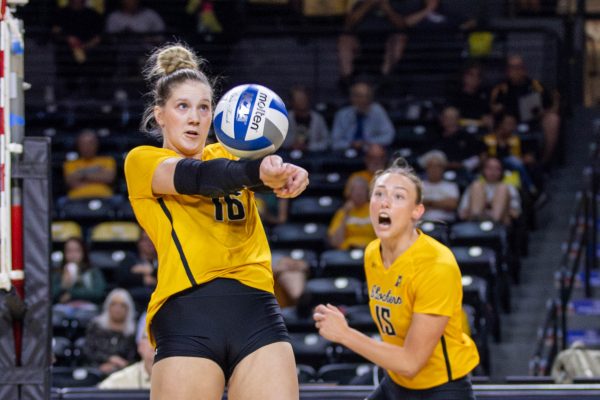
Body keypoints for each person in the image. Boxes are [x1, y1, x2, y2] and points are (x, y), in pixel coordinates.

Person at [124, 44, 308, 399]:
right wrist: (256, 170)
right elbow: (203, 176)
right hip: (188, 315)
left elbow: (253, 173)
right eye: (183, 107)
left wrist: (286, 174)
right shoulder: (143, 161)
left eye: (204, 107)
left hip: (257, 311)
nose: (195, 118)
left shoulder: (231, 152)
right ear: (159, 115)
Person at [313, 158, 479, 400]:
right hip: (396, 383)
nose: (385, 202)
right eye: (378, 194)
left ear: (417, 211)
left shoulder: (436, 265)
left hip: (440, 388)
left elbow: (412, 362)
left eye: (398, 196)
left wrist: (345, 334)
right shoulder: (372, 252)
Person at [337, 0, 439, 86]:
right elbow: (349, 23)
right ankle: (347, 79)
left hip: (386, 40)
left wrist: (387, 9)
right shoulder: (361, 3)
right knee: (345, 39)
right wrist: (368, 4)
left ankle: (385, 79)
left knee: (399, 38)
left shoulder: (395, 4)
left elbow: (402, 25)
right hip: (362, 41)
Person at [490, 54, 560, 167]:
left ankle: (544, 162)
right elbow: (493, 107)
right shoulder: (501, 88)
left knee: (553, 119)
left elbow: (551, 105)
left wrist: (543, 112)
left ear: (524, 70)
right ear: (507, 71)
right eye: (513, 68)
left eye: (519, 67)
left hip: (532, 121)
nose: (516, 71)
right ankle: (497, 161)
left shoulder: (535, 86)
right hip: (507, 123)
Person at [51, 0, 103, 96]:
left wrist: (86, 46)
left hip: (90, 53)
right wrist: (68, 39)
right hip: (66, 54)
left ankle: (95, 96)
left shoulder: (93, 14)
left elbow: (99, 37)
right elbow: (55, 32)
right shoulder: (61, 14)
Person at [84, 288, 138, 375]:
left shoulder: (133, 331)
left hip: (124, 373)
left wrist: (119, 365)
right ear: (107, 306)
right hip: (95, 369)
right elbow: (88, 351)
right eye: (114, 304)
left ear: (128, 309)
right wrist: (109, 359)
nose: (118, 309)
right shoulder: (96, 326)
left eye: (122, 305)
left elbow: (134, 357)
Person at [331, 80, 395, 151]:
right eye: (358, 96)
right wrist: (351, 144)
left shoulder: (378, 111)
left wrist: (366, 142)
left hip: (370, 150)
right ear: (352, 98)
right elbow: (335, 142)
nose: (363, 100)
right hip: (346, 151)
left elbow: (388, 136)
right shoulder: (342, 114)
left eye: (367, 96)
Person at [458, 157, 522, 226]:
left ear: (502, 171)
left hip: (501, 223)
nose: (493, 172)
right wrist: (483, 206)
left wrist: (494, 205)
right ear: (483, 170)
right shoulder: (474, 187)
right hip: (475, 222)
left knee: (502, 188)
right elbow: (462, 214)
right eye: (489, 168)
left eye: (497, 169)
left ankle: (495, 222)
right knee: (477, 185)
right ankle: (476, 221)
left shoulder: (509, 187)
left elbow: (515, 213)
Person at [98, 313, 154, 389]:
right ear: (140, 345)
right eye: (150, 337)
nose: (156, 343)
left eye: (167, 338)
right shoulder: (117, 383)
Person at [63, 129, 117, 199]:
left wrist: (81, 173)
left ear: (96, 144)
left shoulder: (107, 160)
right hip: (76, 199)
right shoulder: (70, 163)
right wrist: (96, 171)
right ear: (78, 145)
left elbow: (109, 178)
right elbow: (70, 181)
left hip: (105, 197)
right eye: (83, 144)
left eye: (90, 143)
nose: (87, 147)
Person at [52, 237, 106, 305]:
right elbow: (49, 295)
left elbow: (98, 293)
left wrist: (71, 294)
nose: (73, 255)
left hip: (88, 311)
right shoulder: (58, 273)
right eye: (69, 251)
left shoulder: (93, 272)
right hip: (63, 311)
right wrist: (63, 285)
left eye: (77, 250)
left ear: (83, 252)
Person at [328, 175, 376, 250]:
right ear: (349, 192)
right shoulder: (342, 212)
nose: (359, 193)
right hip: (347, 253)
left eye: (362, 189)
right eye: (356, 190)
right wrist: (345, 216)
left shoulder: (375, 210)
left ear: (367, 192)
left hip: (371, 251)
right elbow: (335, 242)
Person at [117, 229, 158, 312]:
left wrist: (151, 270)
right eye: (146, 239)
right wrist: (144, 279)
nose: (149, 243)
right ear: (139, 242)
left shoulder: (164, 261)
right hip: (132, 301)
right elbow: (122, 278)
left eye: (152, 239)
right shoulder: (129, 259)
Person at [282, 85, 330, 152]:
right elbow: (278, 140)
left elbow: (327, 142)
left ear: (308, 99)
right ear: (292, 101)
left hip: (314, 157)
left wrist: (309, 147)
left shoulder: (318, 119)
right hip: (288, 155)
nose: (301, 101)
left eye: (303, 98)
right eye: (298, 99)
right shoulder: (284, 118)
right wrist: (291, 145)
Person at [419, 150, 459, 223]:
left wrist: (429, 203)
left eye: (438, 166)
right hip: (422, 224)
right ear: (426, 168)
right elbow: (416, 206)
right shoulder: (418, 186)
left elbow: (452, 205)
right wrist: (440, 204)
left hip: (446, 223)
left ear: (443, 168)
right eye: (431, 166)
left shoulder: (451, 186)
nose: (434, 170)